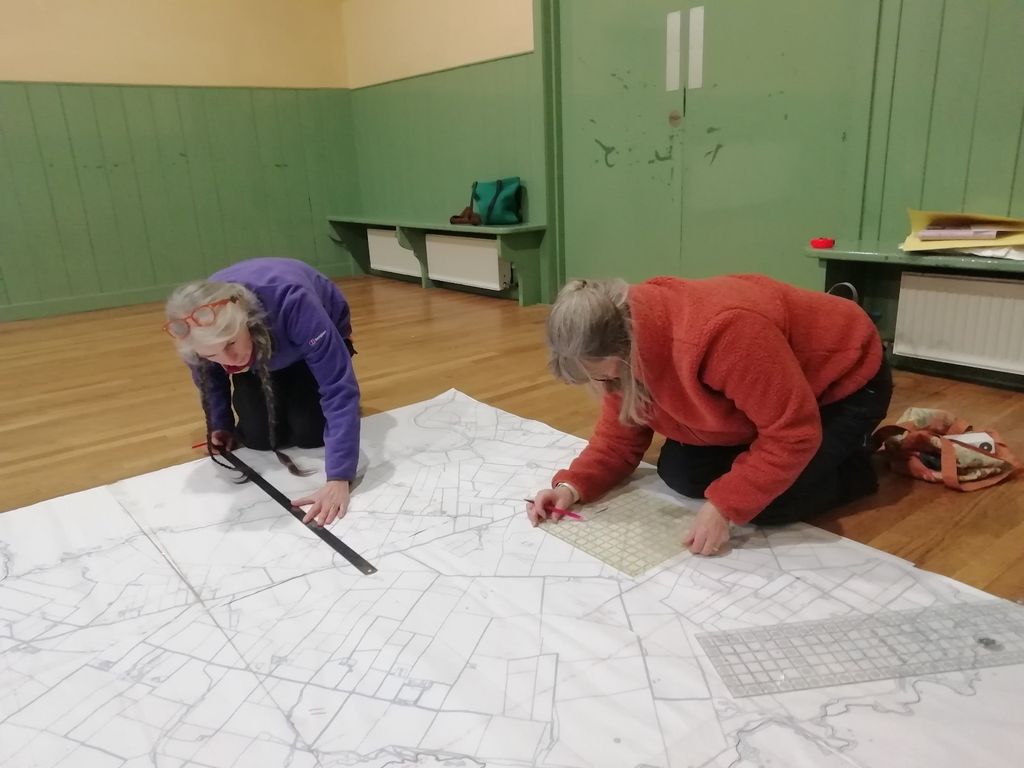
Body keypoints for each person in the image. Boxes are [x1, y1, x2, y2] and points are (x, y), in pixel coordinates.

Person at [527, 274, 893, 556]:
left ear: (626, 350)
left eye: (609, 378)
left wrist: (726, 506)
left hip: (846, 382)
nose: (608, 389)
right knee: (681, 473)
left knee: (766, 506)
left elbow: (792, 432)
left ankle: (855, 466)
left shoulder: (725, 334)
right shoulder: (620, 346)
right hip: (772, 395)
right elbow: (619, 437)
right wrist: (571, 487)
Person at [164, 257, 360, 526]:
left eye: (231, 343)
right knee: (258, 438)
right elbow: (210, 380)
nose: (229, 359)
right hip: (259, 354)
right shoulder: (195, 333)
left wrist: (339, 478)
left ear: (246, 320)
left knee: (311, 432)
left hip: (301, 340)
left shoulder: (295, 301)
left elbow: (338, 388)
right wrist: (220, 425)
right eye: (212, 354)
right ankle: (268, 372)